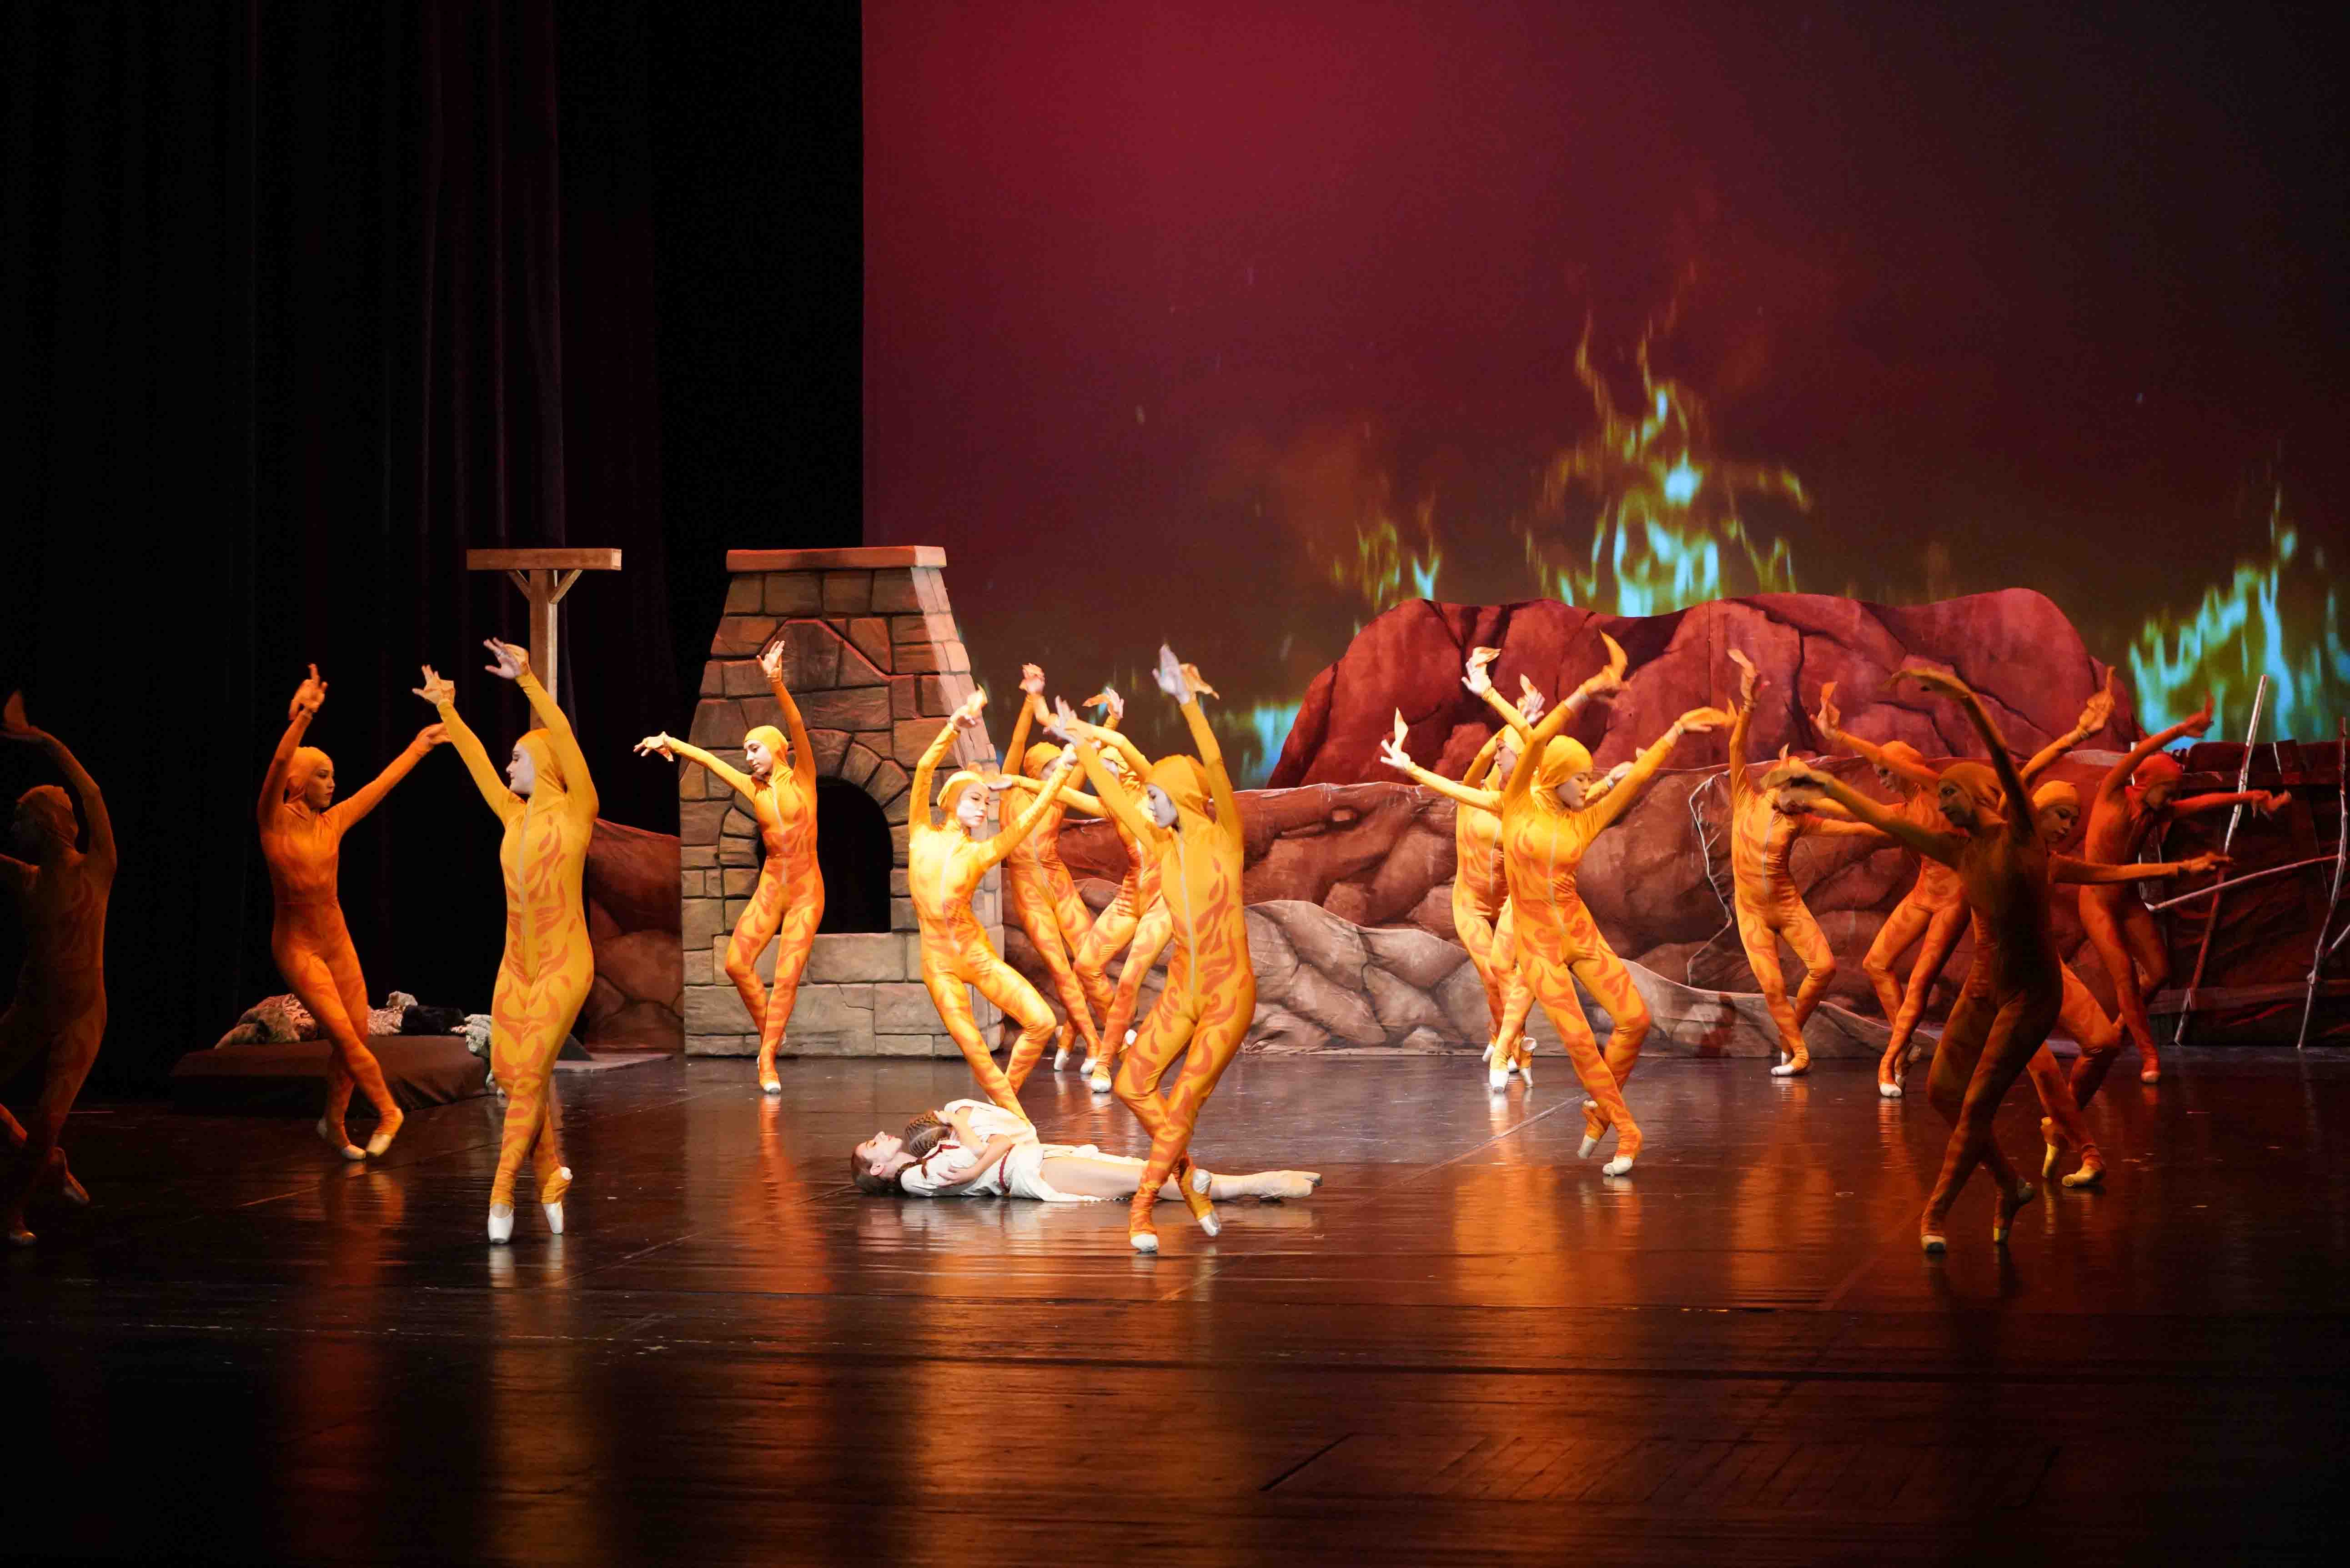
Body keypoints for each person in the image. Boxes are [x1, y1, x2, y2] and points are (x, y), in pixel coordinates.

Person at [1777, 667, 2224, 1251]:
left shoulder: (2022, 840)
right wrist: (1824, 784)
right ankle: (2011, 1181)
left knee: (1988, 1097)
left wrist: (1967, 697)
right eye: (1940, 793)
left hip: (2029, 995)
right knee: (1942, 1092)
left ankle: (1937, 1212)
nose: (1941, 801)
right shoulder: (1959, 850)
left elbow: (2099, 863)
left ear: (1978, 795)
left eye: (1949, 793)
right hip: (1983, 988)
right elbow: (1884, 818)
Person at [1404, 638, 1722, 1174]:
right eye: (1580, 778)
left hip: (1579, 932)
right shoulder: (1514, 802)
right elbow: (1535, 739)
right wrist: (1585, 689)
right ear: (1555, 778)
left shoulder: (1584, 818)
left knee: (1635, 1020)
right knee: (1578, 1042)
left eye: (1589, 778)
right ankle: (1625, 1129)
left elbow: (1636, 778)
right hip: (1539, 947)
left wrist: (1674, 731)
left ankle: (1600, 1111)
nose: (1587, 784)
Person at [1814, 680, 2114, 1097]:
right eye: (1879, 773)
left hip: (1953, 899)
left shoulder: (1939, 789)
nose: (1882, 778)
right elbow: (1859, 819)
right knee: (1876, 963)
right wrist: (1807, 801)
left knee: (1921, 981)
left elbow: (1896, 764)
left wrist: (1841, 737)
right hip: (1923, 894)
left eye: (1886, 771)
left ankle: (1890, 1059)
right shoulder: (1905, 809)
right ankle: (1903, 1046)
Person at [1048, 647, 1253, 1252]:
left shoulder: (1226, 837)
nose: (1150, 804)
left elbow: (1214, 764)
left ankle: (1143, 1210)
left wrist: (1187, 704)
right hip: (1184, 989)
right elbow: (1117, 801)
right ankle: (1189, 1180)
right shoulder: (1162, 845)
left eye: (1158, 795)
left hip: (1226, 995)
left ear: (1180, 797)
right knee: (1133, 1085)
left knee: (1184, 1100)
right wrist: (1083, 746)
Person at [417, 641, 599, 1244]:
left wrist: (528, 682)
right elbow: (471, 758)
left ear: (544, 763)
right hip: (515, 965)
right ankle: (549, 1175)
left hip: (564, 963)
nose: (507, 766)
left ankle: (500, 1192)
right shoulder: (513, 815)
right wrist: (447, 709)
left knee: (531, 1073)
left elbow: (563, 735)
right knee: (511, 1071)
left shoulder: (577, 811)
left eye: (517, 757)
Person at [258, 664, 444, 1161]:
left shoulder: (332, 822)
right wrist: (302, 718)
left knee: (357, 1033)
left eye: (333, 776)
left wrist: (419, 747)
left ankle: (334, 1124)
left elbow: (379, 786)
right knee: (343, 1034)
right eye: (322, 775)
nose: (332, 784)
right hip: (297, 945)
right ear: (298, 782)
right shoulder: (273, 821)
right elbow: (278, 763)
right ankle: (388, 1111)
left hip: (336, 938)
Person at [2074, 695, 2288, 1094]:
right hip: (2098, 901)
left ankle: (2122, 1025)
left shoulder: (2156, 812)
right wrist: (2180, 730)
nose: (2173, 799)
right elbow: (2139, 756)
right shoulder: (2113, 794)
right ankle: (2148, 1054)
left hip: (2128, 899)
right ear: (2148, 784)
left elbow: (2203, 802)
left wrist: (2250, 796)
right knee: (2124, 977)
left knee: (2158, 973)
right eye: (2169, 791)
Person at [636, 638, 821, 1095]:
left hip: (806, 891)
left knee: (787, 975)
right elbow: (710, 761)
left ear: (775, 750)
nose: (748, 757)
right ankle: (770, 1036)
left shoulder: (803, 779)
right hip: (771, 886)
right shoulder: (752, 788)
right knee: (737, 963)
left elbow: (797, 726)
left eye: (754, 748)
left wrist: (776, 683)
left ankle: (767, 1060)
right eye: (746, 751)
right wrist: (670, 742)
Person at [1721, 651, 1890, 1078]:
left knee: (1825, 968)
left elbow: (1846, 826)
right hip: (1752, 912)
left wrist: (1888, 823)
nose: (1798, 805)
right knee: (1773, 985)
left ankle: (1790, 1033)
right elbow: (1736, 747)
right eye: (1794, 796)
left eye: (1803, 801)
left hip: (1786, 904)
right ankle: (1799, 1053)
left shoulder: (1798, 822)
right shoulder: (1746, 798)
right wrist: (1748, 705)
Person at [908, 691, 1077, 1112]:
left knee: (1042, 1021)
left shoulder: (981, 852)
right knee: (974, 1047)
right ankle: (1015, 1119)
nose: (984, 808)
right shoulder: (920, 833)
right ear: (951, 800)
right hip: (938, 963)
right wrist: (954, 726)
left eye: (987, 801)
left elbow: (1027, 821)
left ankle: (1000, 1106)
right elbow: (925, 769)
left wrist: (1060, 775)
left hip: (976, 954)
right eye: (975, 799)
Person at [0, 694, 115, 1246]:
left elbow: (91, 792)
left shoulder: (98, 868)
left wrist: (44, 740)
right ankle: (50, 1165)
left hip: (83, 1010)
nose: (13, 829)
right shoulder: (25, 879)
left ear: (46, 824)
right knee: (40, 1133)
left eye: (21, 818)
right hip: (33, 1004)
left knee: (49, 1118)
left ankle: (10, 1211)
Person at [851, 1100, 1319, 1204]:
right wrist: (976, 1153)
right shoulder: (914, 1178)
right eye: (873, 1144)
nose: (880, 1134)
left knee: (1139, 1170)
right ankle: (1257, 1184)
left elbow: (995, 1144)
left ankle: (1251, 1184)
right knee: (1141, 1178)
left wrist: (961, 1128)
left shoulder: (930, 1155)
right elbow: (987, 1154)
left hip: (1031, 1160)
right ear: (878, 1168)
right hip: (1029, 1173)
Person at [992, 664, 1106, 1075]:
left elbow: (1085, 760)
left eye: (1060, 765)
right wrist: (1030, 698)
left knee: (1088, 960)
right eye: (1051, 766)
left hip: (1059, 883)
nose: (1059, 769)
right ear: (1033, 771)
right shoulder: (1010, 791)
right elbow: (1017, 742)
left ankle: (1072, 1035)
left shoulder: (1060, 794)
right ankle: (1095, 1043)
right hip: (1029, 891)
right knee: (1060, 968)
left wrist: (1111, 721)